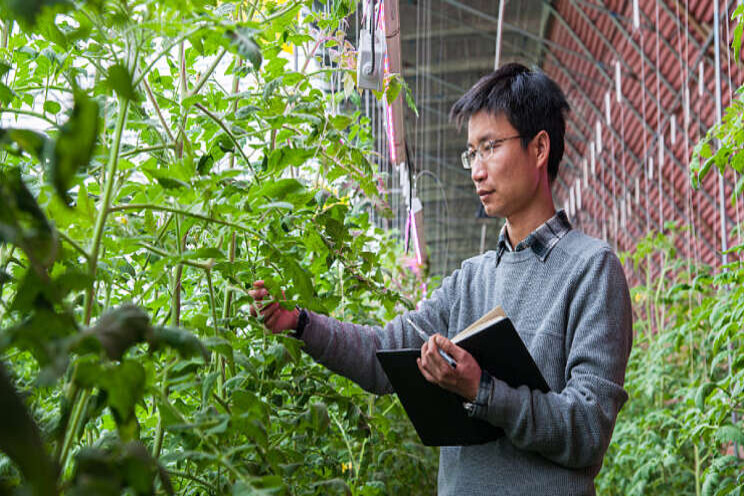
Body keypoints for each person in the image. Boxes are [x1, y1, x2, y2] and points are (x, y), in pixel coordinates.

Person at [250, 63, 633, 495]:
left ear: (539, 147)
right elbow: (383, 358)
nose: (476, 170)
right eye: (472, 153)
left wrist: (482, 391)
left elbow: (586, 430)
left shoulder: (591, 269)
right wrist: (301, 323)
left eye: (490, 147)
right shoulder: (469, 281)